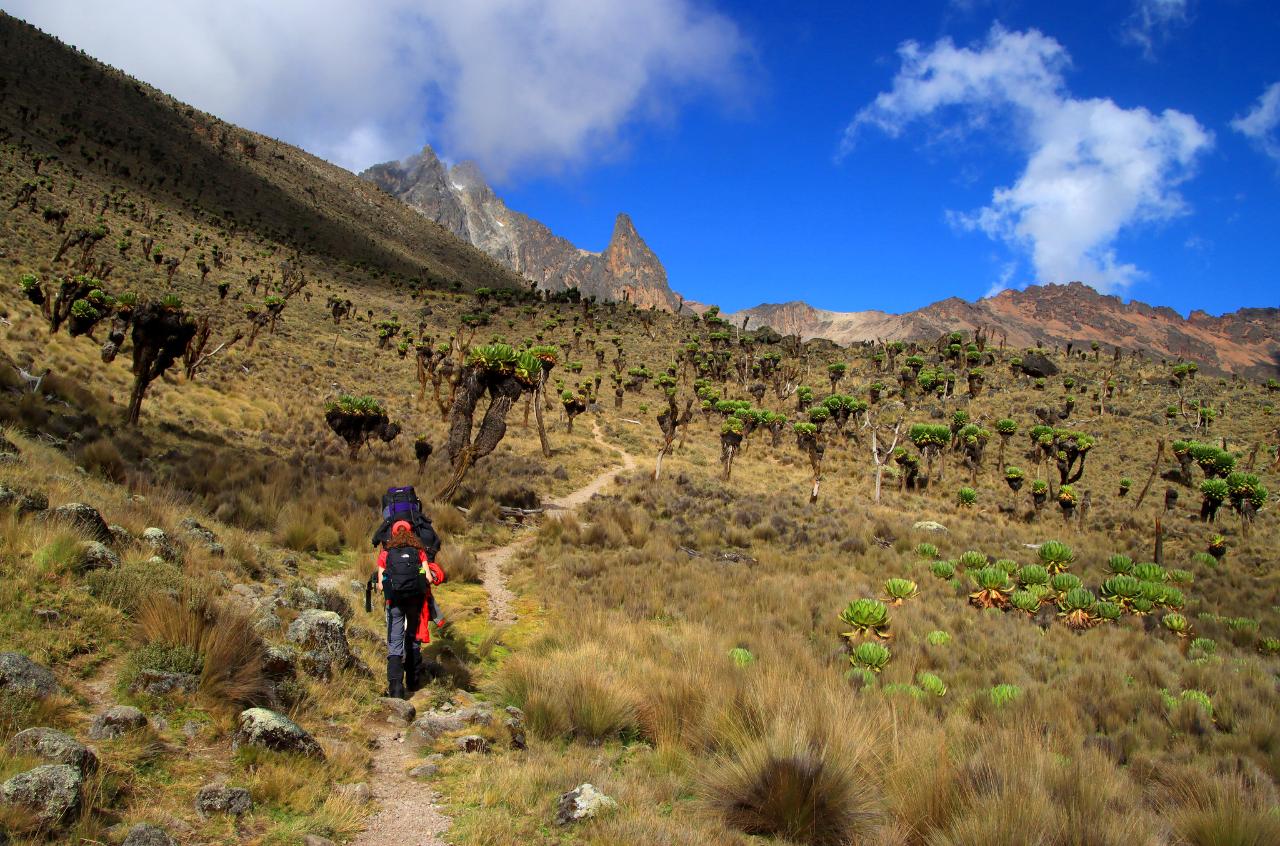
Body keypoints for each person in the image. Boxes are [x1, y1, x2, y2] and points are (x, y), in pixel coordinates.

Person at [373, 519, 445, 699]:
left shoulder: (386, 553)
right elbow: (428, 578)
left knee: (395, 642)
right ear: (411, 533)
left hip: (395, 603)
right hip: (415, 602)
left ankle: (396, 688)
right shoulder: (419, 551)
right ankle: (413, 681)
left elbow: (381, 586)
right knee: (412, 638)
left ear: (393, 533)